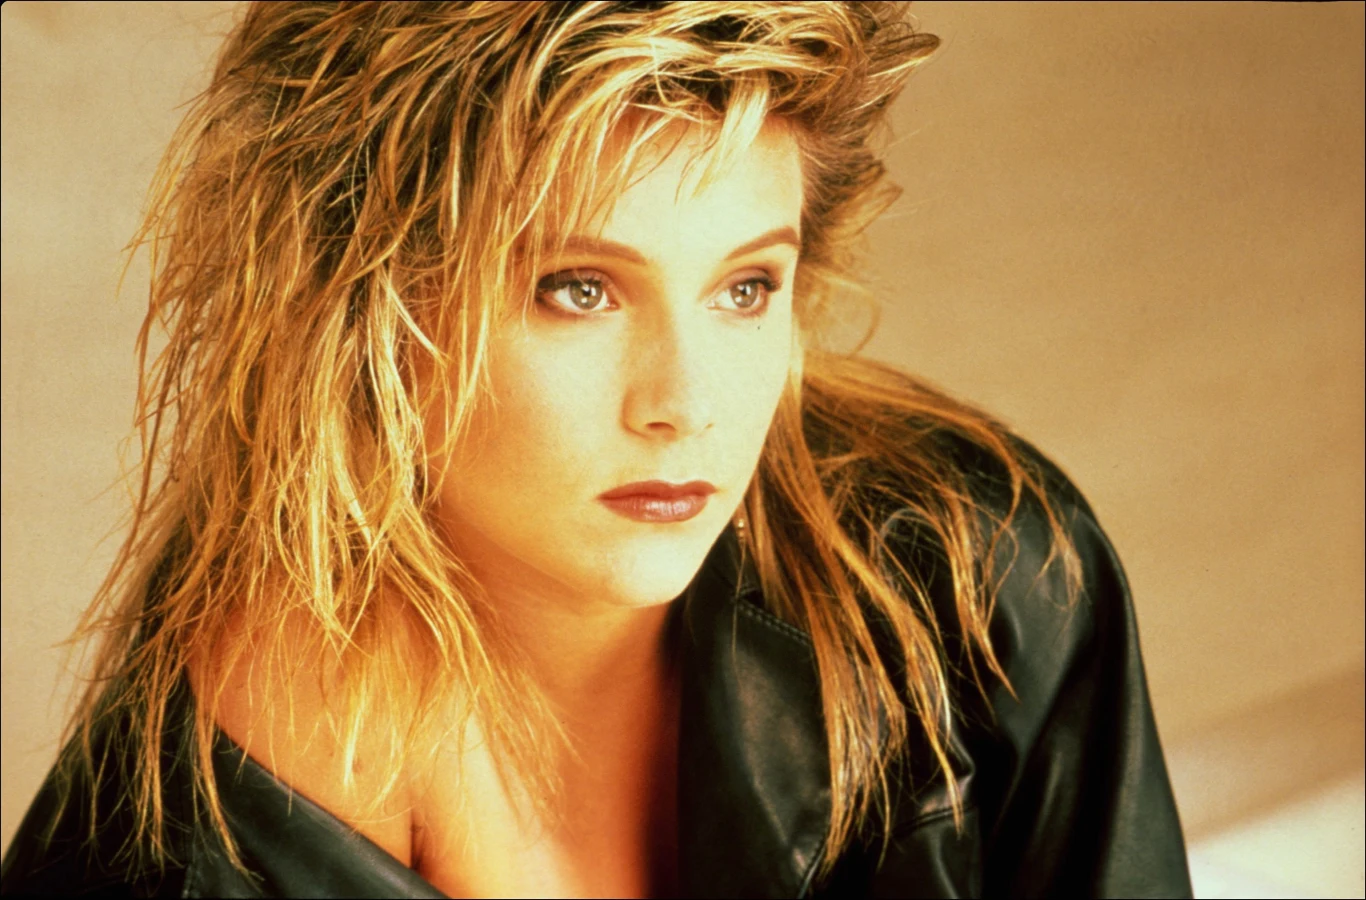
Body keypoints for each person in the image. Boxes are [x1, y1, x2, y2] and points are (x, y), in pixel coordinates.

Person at [1, 2, 1192, 897]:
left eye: (743, 288)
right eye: (578, 289)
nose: (687, 406)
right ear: (362, 310)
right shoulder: (182, 838)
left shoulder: (971, 568)